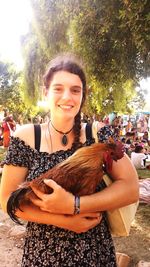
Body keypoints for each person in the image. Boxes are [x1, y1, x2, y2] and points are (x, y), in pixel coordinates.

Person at [0, 54, 139, 267]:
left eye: (75, 90)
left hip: (95, 252)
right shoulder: (25, 136)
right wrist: (64, 219)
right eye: (58, 88)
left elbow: (130, 189)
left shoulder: (98, 134)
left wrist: (75, 205)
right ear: (45, 92)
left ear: (83, 96)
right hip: (44, 255)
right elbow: (7, 199)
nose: (67, 97)